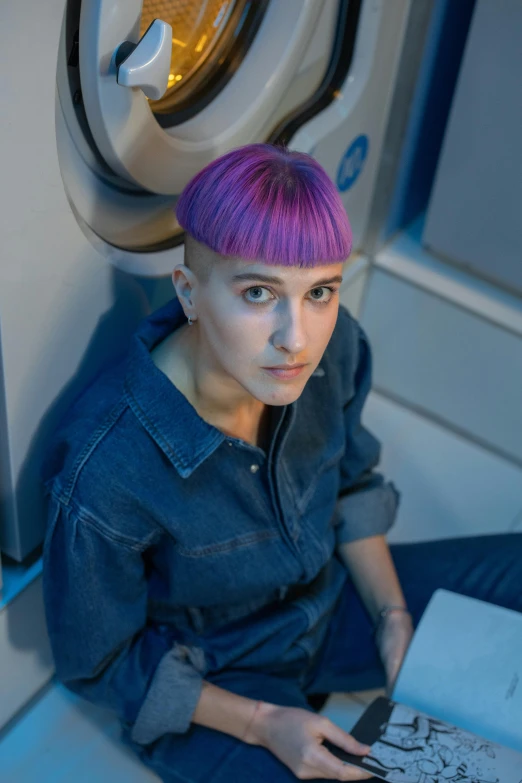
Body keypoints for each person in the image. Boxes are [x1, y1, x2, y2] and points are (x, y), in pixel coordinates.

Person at [42, 143, 522, 783]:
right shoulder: (106, 469)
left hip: (332, 599)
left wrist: (392, 619)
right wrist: (264, 722)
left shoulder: (334, 346)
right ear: (189, 292)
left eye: (319, 290)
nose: (295, 338)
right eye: (260, 292)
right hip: (217, 672)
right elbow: (100, 663)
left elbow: (351, 485)